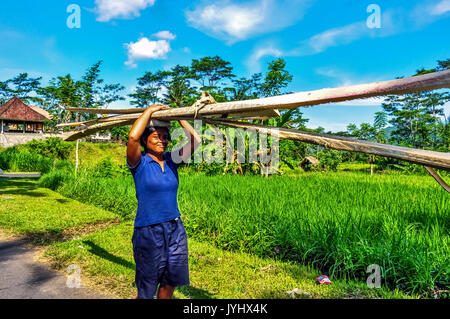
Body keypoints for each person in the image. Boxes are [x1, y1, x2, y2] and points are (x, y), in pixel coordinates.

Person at [126, 104, 201, 299]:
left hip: (175, 229)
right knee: (147, 288)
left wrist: (179, 116)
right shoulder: (139, 163)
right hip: (148, 231)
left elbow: (196, 140)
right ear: (146, 140)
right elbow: (132, 137)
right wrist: (150, 111)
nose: (162, 141)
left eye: (165, 137)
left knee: (170, 280)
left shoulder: (172, 161)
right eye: (157, 137)